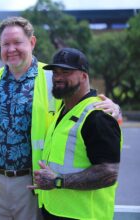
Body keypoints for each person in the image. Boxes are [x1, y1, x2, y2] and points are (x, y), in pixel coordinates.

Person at [0, 16, 121, 220]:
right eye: (6, 44)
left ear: (32, 42)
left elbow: (83, 98)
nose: (11, 49)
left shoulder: (53, 78)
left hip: (33, 180)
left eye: (17, 42)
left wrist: (113, 106)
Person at [28, 48, 121, 220]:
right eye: (55, 72)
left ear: (84, 76)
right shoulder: (63, 110)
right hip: (55, 211)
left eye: (66, 72)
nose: (58, 77)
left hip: (84, 215)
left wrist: (58, 181)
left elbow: (109, 173)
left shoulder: (97, 116)